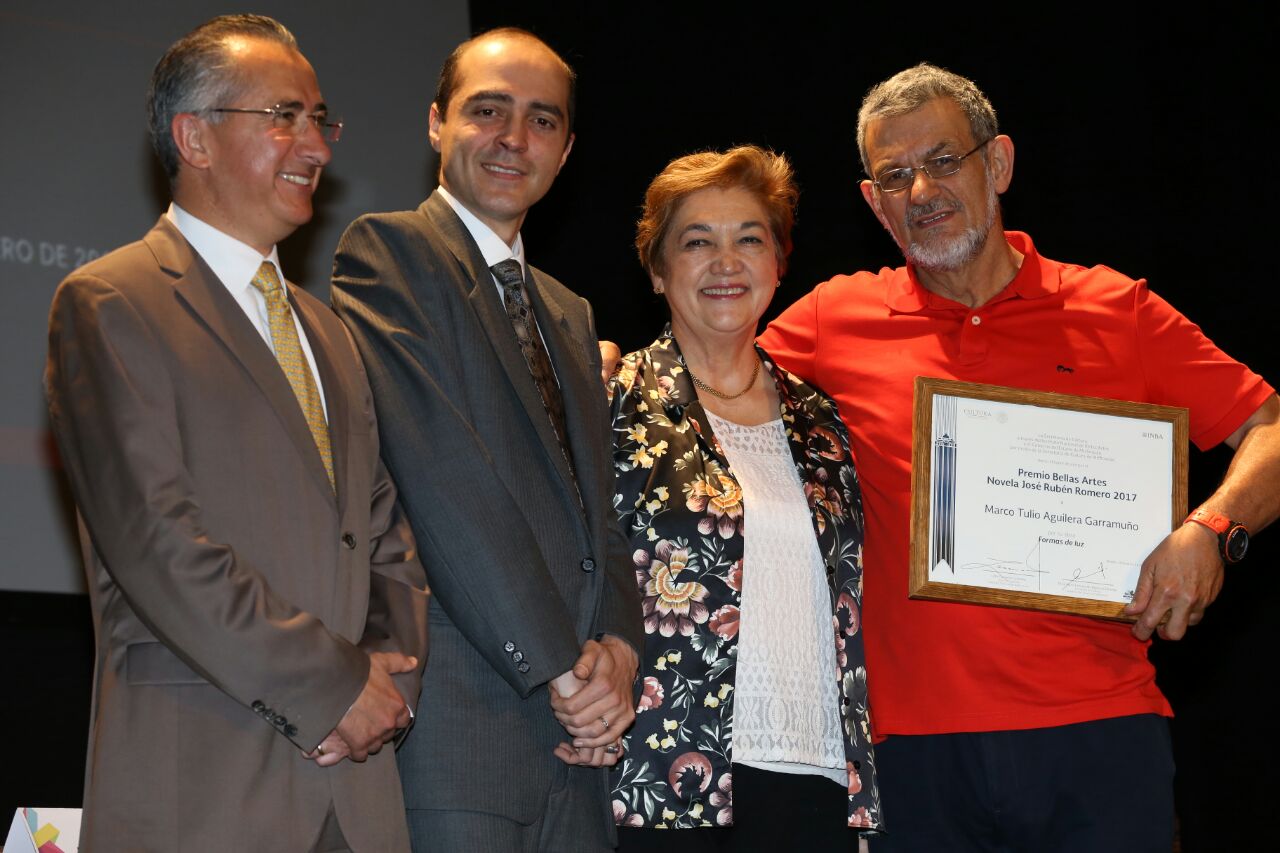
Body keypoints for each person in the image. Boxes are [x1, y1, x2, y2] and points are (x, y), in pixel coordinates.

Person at [755, 63, 1280, 852]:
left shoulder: (1117, 308)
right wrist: (613, 362)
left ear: (997, 164)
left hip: (1100, 730)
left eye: (942, 160)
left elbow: (1270, 427)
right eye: (894, 175)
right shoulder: (835, 319)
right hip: (909, 748)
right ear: (873, 203)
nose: (921, 190)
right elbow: (708, 385)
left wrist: (1211, 529)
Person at [43, 14, 429, 852]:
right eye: (283, 116)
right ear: (196, 138)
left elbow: (385, 537)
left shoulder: (329, 332)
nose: (317, 146)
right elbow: (158, 542)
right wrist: (332, 687)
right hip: (205, 787)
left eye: (320, 120)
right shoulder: (114, 302)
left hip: (358, 798)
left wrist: (388, 681)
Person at [330, 27, 642, 853]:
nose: (514, 138)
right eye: (488, 110)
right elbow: (445, 484)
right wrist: (565, 669)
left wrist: (617, 651)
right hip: (460, 741)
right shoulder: (390, 254)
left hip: (577, 754)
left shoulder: (568, 312)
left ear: (567, 150)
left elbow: (596, 514)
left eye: (543, 121)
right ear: (437, 122)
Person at [607, 146, 882, 852]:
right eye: (697, 242)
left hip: (817, 773)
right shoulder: (610, 396)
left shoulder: (821, 420)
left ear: (778, 263)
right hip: (668, 776)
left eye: (748, 239)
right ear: (659, 270)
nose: (726, 262)